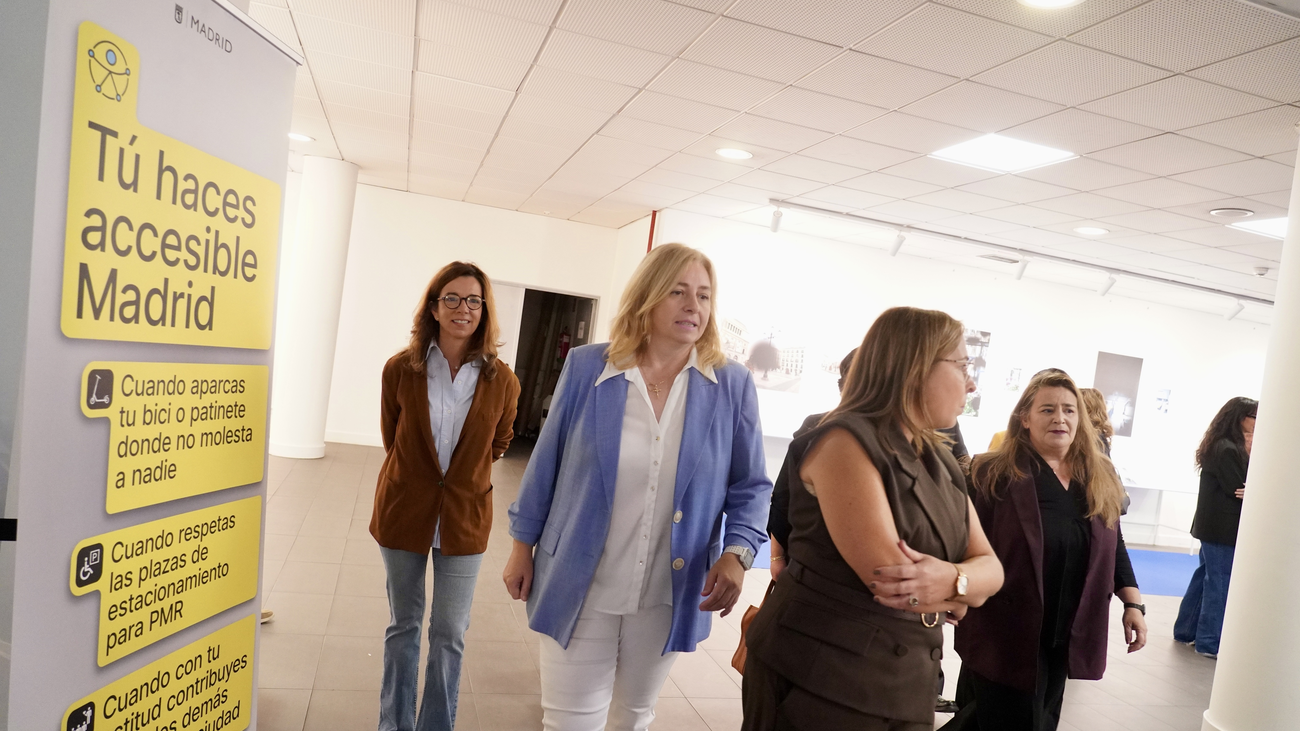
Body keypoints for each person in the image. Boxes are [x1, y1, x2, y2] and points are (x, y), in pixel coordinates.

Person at [503, 243, 771, 731]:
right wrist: (522, 546)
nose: (694, 306)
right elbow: (546, 463)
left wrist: (738, 553)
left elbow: (751, 486)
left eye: (704, 295)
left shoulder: (730, 384)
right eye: (678, 292)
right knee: (568, 723)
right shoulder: (589, 367)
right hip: (581, 579)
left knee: (632, 719)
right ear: (647, 295)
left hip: (669, 591)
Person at [741, 306, 1004, 731]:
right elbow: (891, 580)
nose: (971, 383)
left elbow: (993, 569)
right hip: (823, 676)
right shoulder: (843, 440)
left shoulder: (940, 458)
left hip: (904, 679)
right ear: (915, 367)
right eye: (962, 365)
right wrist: (965, 591)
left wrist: (954, 584)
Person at [947, 371, 1147, 731]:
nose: (1060, 418)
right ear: (1025, 418)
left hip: (1066, 626)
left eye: (1069, 410)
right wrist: (955, 588)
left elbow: (1112, 542)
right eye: (1048, 409)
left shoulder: (1098, 474)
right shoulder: (992, 472)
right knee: (1012, 718)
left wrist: (1133, 603)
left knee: (1036, 718)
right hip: (1005, 626)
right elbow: (958, 538)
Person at [371, 262, 521, 731]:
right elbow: (393, 436)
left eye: (474, 300)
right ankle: (394, 724)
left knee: (450, 631)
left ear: (484, 310)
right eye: (451, 298)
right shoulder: (401, 368)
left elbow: (500, 442)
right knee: (404, 626)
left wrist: (461, 476)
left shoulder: (503, 380)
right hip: (403, 511)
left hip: (465, 517)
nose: (463, 308)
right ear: (434, 308)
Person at [1174, 397, 1258, 659]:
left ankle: (1186, 631)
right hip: (1222, 528)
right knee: (1219, 583)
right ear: (1240, 418)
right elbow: (1238, 488)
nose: (1258, 422)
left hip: (1213, 526)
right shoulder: (1229, 449)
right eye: (1255, 416)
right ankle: (1209, 642)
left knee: (1206, 578)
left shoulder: (1221, 444)